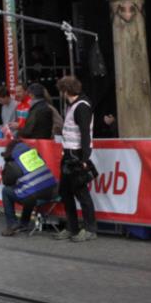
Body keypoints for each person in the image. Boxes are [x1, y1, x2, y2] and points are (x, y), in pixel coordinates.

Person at [53, 75, 97, 242]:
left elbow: (86, 134)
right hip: (69, 153)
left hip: (76, 155)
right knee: (65, 192)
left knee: (81, 192)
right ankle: (72, 227)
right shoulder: (73, 106)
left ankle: (90, 229)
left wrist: (84, 158)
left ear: (65, 91)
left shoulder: (81, 107)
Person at [0, 139, 59, 236]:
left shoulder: (14, 163)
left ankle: (12, 224)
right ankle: (24, 223)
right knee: (27, 189)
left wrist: (6, 165)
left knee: (7, 191)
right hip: (52, 192)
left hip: (34, 196)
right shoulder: (35, 155)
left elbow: (7, 182)